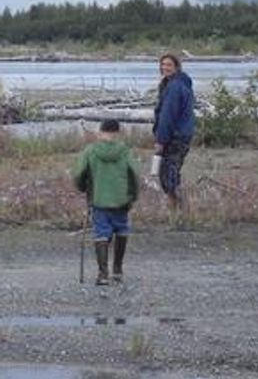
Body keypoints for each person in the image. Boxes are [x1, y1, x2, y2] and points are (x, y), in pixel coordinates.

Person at [73, 119, 139, 286]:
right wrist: (132, 196)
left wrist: (82, 188)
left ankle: (103, 274)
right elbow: (134, 175)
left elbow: (79, 173)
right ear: (117, 133)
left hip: (99, 199)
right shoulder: (125, 151)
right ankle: (117, 270)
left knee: (101, 232)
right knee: (122, 230)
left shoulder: (91, 151)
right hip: (122, 200)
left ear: (101, 132)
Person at [153, 53, 195, 211]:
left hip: (175, 136)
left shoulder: (175, 87)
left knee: (167, 173)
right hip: (183, 134)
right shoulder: (179, 84)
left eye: (169, 65)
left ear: (176, 67)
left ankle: (178, 206)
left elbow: (167, 116)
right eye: (163, 65)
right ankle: (177, 207)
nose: (165, 68)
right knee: (172, 171)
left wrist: (160, 140)